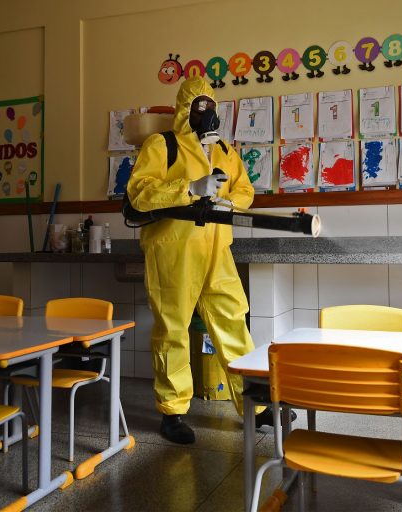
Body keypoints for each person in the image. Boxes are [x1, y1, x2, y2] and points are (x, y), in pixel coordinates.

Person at [127, 77, 286, 444]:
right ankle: (173, 411)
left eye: (210, 106)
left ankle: (256, 407)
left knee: (233, 320)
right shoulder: (162, 145)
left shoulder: (225, 151)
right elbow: (139, 193)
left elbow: (244, 189)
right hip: (173, 250)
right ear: (185, 108)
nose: (206, 113)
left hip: (217, 248)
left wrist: (230, 202)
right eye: (198, 106)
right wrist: (190, 188)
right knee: (173, 329)